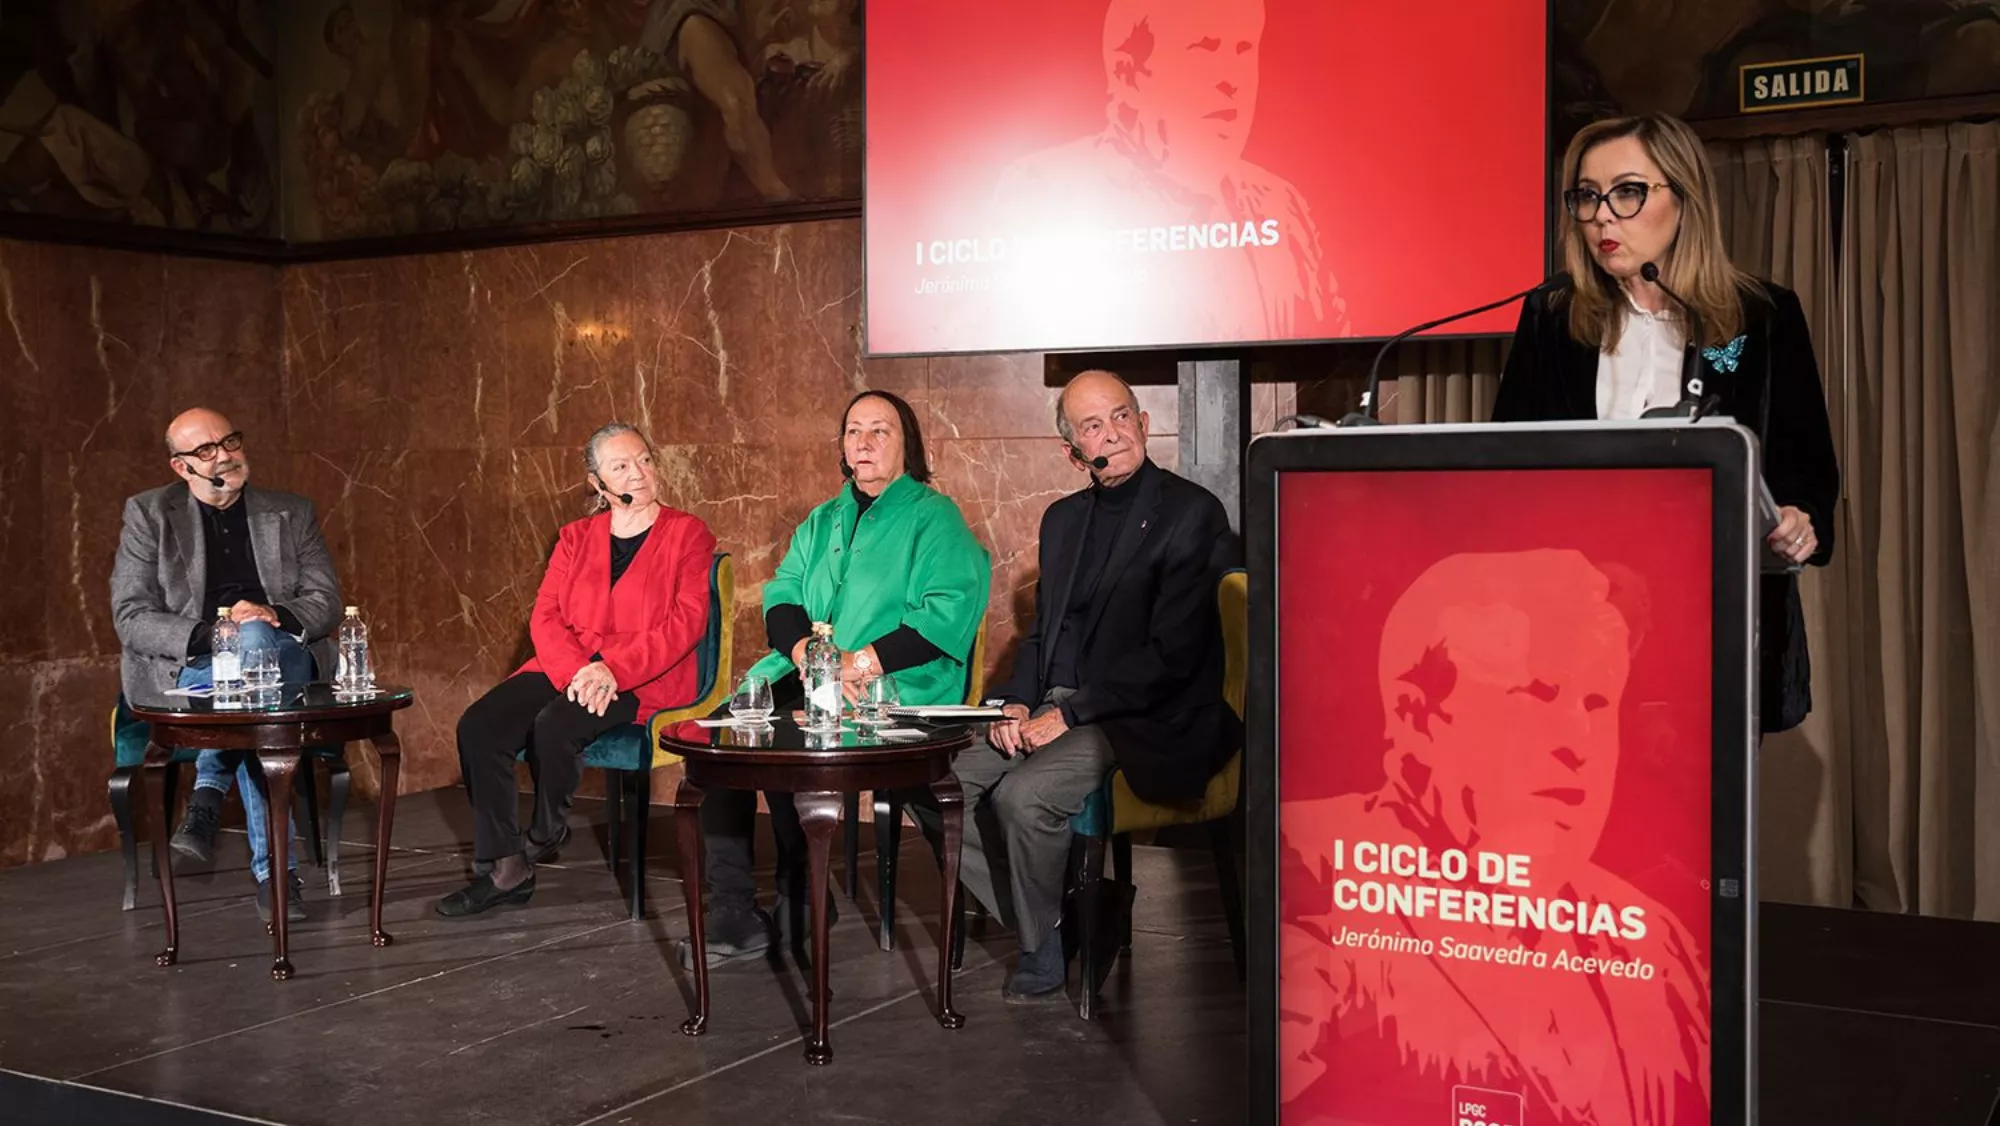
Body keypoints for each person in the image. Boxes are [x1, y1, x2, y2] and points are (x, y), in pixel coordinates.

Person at [1279, 551, 1710, 1124]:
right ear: (1415, 716)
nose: (1577, 736)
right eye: (1535, 695)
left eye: (1597, 702)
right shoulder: (1312, 876)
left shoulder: (1655, 946)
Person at [1492, 111, 1840, 734]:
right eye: (1587, 196)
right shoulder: (1552, 315)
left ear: (1685, 197)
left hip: (1717, 626)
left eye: (1627, 192)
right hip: (1573, 633)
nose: (1603, 216)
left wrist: (1799, 516)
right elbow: (1509, 469)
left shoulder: (1760, 314)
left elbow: (1805, 466)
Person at [936, 370, 1238, 1002]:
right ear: (1072, 451)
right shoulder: (1063, 520)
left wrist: (1069, 718)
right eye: (1094, 426)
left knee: (1025, 797)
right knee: (935, 783)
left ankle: (1039, 949)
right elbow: (1044, 636)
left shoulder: (1192, 514)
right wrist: (1016, 700)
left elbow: (1172, 656)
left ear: (1145, 423)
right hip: (1058, 704)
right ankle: (1058, 915)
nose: (1115, 433)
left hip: (1145, 715)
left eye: (1123, 416)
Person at [689, 390, 989, 965]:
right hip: (812, 671)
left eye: (881, 430)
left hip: (900, 682)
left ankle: (798, 897)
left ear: (908, 445)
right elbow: (783, 590)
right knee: (728, 735)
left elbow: (946, 611)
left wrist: (858, 664)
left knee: (792, 737)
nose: (865, 442)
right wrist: (807, 653)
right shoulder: (822, 518)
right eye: (855, 430)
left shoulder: (933, 515)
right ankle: (733, 908)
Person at [437, 422, 716, 917]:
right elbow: (545, 615)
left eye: (645, 459)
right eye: (622, 466)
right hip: (566, 665)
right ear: (597, 483)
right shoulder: (574, 537)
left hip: (643, 673)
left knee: (555, 725)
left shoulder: (687, 533)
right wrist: (578, 673)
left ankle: (544, 835)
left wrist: (611, 670)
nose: (640, 473)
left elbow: (685, 625)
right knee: (479, 727)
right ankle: (508, 868)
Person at [990, 0, 1346, 345]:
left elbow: (1338, 349)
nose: (1231, 80)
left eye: (1243, 50)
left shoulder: (1282, 207)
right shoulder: (1045, 189)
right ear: (1127, 72)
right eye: (1205, 50)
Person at [110, 409, 342, 924]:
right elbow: (131, 616)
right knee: (259, 708)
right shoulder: (149, 514)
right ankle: (278, 878)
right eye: (207, 450)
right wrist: (214, 636)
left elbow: (325, 601)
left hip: (285, 661)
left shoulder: (290, 511)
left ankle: (207, 793)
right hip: (191, 671)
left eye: (230, 441)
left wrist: (271, 616)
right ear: (180, 467)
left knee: (258, 639)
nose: (226, 455)